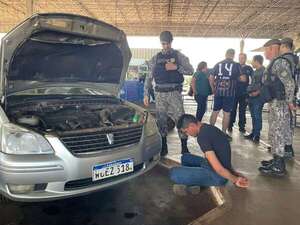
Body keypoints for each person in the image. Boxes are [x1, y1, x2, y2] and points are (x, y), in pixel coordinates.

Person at [143, 31, 194, 157]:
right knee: (161, 121)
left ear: (171, 42)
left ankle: (184, 147)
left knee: (181, 120)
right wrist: (145, 94)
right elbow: (148, 77)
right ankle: (164, 146)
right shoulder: (155, 58)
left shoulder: (179, 56)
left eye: (168, 43)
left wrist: (176, 67)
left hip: (174, 93)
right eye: (163, 44)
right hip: (160, 94)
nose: (166, 46)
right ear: (161, 43)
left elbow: (190, 70)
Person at [170, 114, 249, 189]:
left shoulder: (202, 137)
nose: (187, 134)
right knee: (185, 157)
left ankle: (195, 181)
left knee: (173, 173)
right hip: (214, 166)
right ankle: (194, 181)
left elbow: (219, 169)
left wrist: (235, 179)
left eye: (186, 131)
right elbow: (223, 155)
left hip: (217, 176)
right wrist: (233, 172)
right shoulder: (207, 128)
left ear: (192, 125)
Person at [258, 39, 296, 177]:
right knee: (275, 132)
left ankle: (279, 166)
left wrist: (290, 101)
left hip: (280, 103)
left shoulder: (280, 62)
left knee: (278, 133)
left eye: (266, 49)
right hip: (276, 102)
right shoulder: (277, 62)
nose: (265, 53)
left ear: (273, 48)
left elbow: (289, 83)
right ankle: (276, 160)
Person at [209, 49, 245, 139]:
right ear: (233, 55)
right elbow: (243, 79)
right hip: (230, 92)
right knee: (227, 113)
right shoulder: (236, 65)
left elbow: (211, 77)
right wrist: (236, 79)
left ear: (225, 54)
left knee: (215, 111)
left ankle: (210, 131)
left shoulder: (218, 64)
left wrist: (213, 88)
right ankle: (223, 133)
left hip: (218, 91)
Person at [278, 37, 299, 159]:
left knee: (281, 124)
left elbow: (288, 82)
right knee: (289, 123)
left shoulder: (285, 60)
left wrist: (289, 100)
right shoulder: (296, 59)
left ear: (284, 46)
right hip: (293, 94)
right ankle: (288, 147)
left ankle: (282, 151)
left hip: (285, 97)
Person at [229, 53, 253, 133]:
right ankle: (230, 125)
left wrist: (250, 91)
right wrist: (240, 79)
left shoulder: (249, 68)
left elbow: (252, 79)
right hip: (234, 92)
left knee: (242, 111)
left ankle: (242, 126)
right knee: (232, 110)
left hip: (244, 93)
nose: (241, 59)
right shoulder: (235, 66)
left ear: (245, 59)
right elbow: (231, 77)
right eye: (239, 58)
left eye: (242, 58)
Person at [244, 55, 265, 143]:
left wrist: (257, 92)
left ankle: (257, 135)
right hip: (251, 97)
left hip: (258, 98)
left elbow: (265, 84)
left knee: (257, 116)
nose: (251, 63)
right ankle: (253, 133)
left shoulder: (264, 71)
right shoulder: (255, 71)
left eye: (252, 61)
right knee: (253, 116)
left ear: (256, 61)